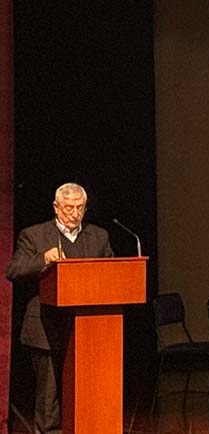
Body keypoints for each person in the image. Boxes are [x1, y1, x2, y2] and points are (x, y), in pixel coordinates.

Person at [5, 183, 114, 433]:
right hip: (46, 326)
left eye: (79, 208)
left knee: (88, 393)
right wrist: (43, 258)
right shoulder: (34, 235)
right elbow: (14, 270)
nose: (74, 214)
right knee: (48, 398)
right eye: (68, 208)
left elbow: (111, 274)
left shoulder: (99, 236)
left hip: (88, 328)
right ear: (56, 208)